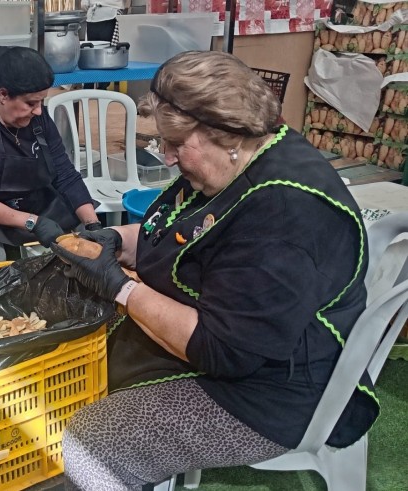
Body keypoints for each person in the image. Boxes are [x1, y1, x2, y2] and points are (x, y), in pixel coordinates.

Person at [51, 51, 377, 489]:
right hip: (230, 346)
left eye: (175, 144)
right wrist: (116, 241)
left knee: (91, 444)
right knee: (69, 349)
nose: (165, 157)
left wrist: (121, 289)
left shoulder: (285, 215)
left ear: (226, 134)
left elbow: (223, 350)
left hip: (269, 389)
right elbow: (179, 229)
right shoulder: (241, 154)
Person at [0, 46, 100, 265]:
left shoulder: (37, 118)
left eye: (42, 101)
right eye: (31, 103)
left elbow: (65, 174)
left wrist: (93, 225)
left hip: (34, 202)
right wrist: (33, 222)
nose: (39, 111)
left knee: (83, 244)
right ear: (3, 94)